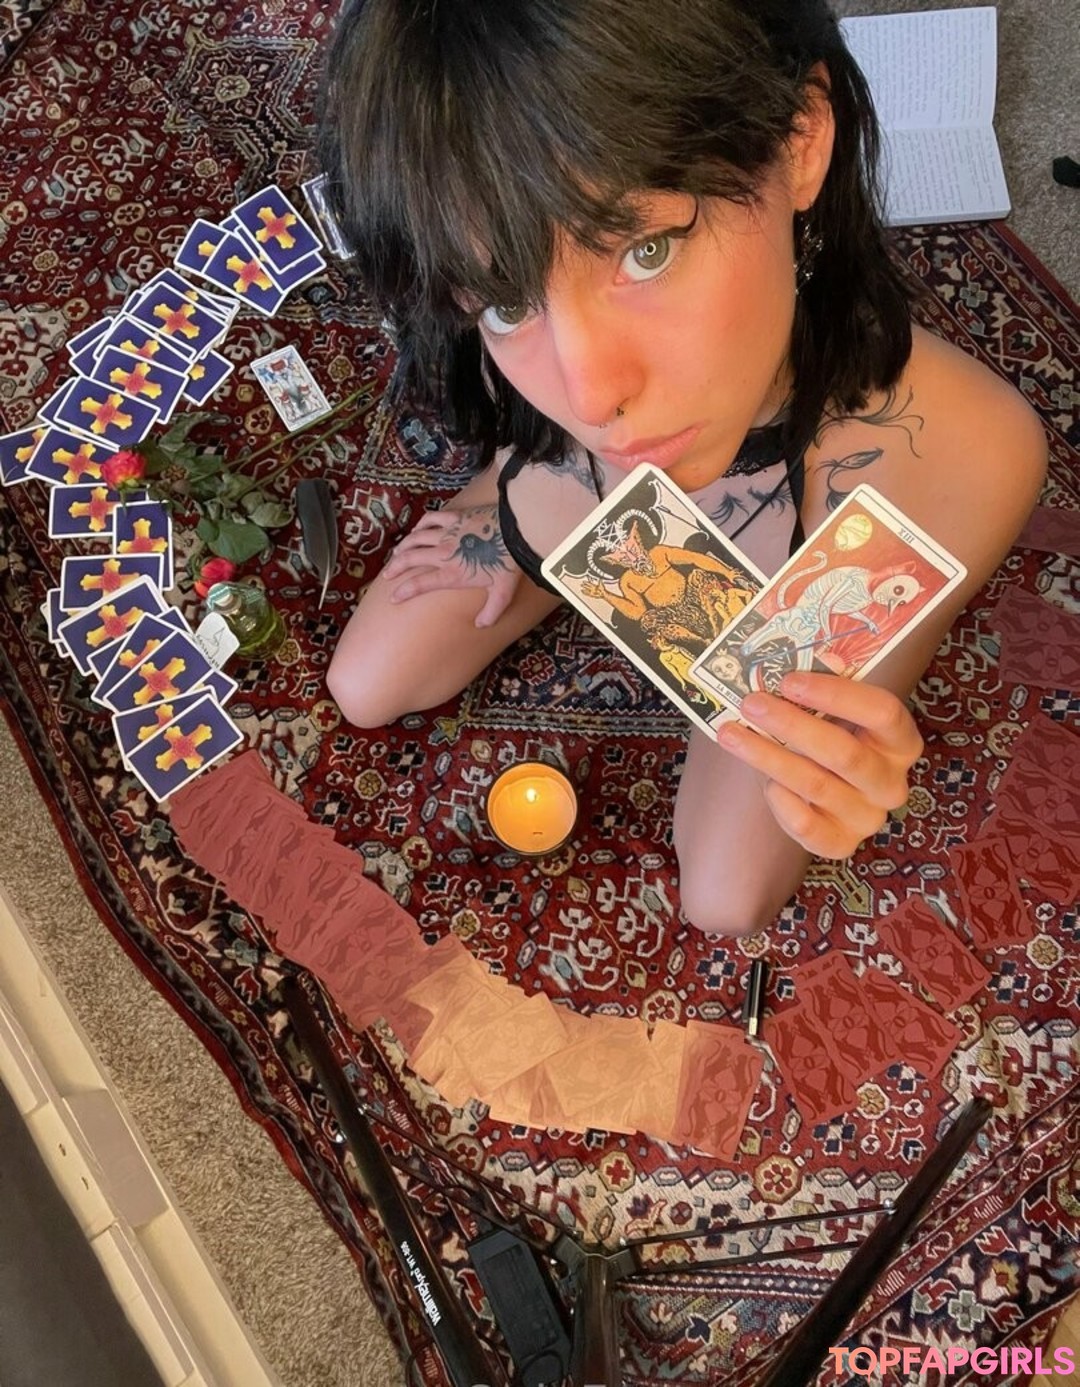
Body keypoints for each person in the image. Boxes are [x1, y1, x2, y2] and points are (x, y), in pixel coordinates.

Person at [318, 0, 1046, 936]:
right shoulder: (576, 378)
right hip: (595, 492)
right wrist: (528, 485)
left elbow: (757, 840)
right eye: (504, 302)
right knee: (368, 682)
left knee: (723, 892)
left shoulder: (943, 453)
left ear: (799, 142)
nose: (589, 395)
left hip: (834, 508)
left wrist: (808, 735)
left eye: (646, 250)